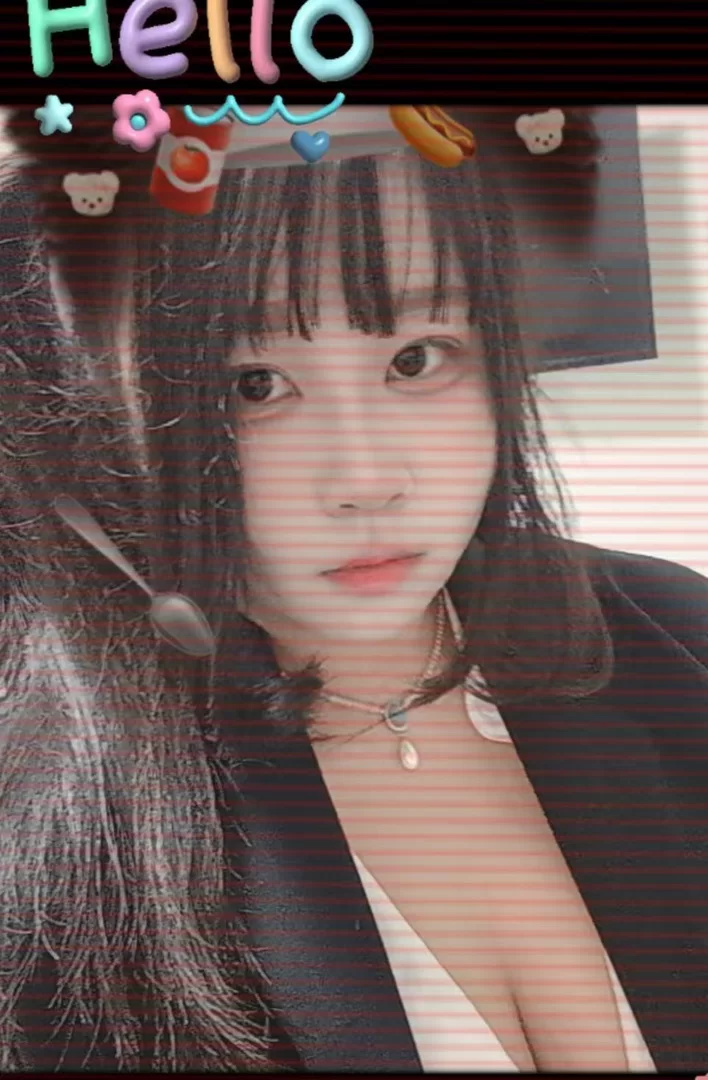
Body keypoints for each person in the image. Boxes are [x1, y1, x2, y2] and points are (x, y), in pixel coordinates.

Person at [1, 103, 708, 1074]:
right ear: (90, 422)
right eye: (252, 384)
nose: (369, 478)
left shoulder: (675, 634)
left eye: (417, 358)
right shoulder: (54, 870)